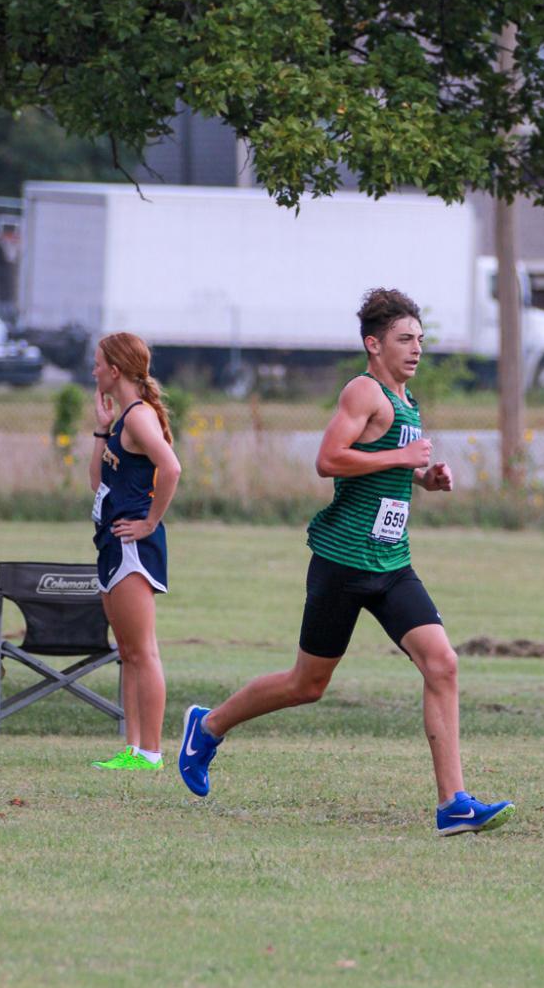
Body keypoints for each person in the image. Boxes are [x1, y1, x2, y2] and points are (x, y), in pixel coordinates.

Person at [176, 286, 514, 833]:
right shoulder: (364, 392)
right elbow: (327, 459)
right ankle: (207, 726)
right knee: (306, 685)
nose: (417, 349)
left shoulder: (406, 401)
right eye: (405, 339)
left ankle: (454, 804)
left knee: (442, 663)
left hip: (390, 563)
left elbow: (384, 465)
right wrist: (405, 457)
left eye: (420, 339)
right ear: (373, 344)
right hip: (343, 562)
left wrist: (425, 477)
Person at [88, 332, 181, 772]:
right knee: (127, 651)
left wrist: (150, 522)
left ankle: (152, 751)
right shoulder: (123, 420)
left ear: (115, 370)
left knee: (143, 651)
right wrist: (100, 430)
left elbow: (172, 466)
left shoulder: (141, 417)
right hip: (111, 540)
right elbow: (96, 483)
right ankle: (132, 748)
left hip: (133, 546)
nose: (93, 372)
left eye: (98, 364)